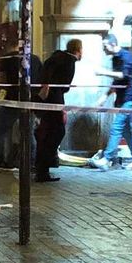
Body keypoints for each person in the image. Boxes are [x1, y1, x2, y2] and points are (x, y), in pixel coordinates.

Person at [92, 31, 132, 168]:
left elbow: (122, 76)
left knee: (116, 128)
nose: (104, 49)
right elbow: (116, 82)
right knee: (126, 131)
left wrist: (102, 72)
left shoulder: (127, 57)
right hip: (121, 98)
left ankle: (106, 159)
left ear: (113, 44)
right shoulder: (115, 58)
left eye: (105, 46)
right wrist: (105, 96)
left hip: (128, 98)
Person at [35, 38, 79, 182]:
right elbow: (63, 86)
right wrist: (61, 109)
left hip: (46, 100)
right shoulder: (69, 61)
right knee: (56, 132)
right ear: (78, 50)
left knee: (46, 133)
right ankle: (44, 167)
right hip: (54, 101)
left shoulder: (56, 57)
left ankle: (42, 167)